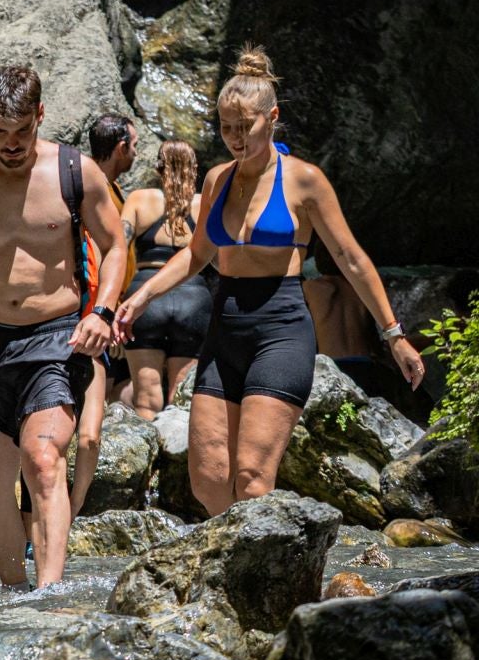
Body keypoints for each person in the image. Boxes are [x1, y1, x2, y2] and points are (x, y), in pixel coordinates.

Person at [115, 47, 425, 514]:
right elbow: (197, 255)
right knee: (209, 478)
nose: (235, 138)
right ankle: (231, 576)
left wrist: (393, 334)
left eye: (246, 126)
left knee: (253, 478)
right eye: (226, 128)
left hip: (280, 329)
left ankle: (268, 580)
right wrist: (138, 299)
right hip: (224, 329)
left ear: (272, 117)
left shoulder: (304, 180)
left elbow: (352, 259)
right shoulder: (218, 179)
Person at [0, 65, 127, 588]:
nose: (11, 144)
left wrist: (101, 312)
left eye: (22, 131)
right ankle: (14, 595)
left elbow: (115, 246)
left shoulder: (75, 172)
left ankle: (50, 592)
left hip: (56, 337)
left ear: (41, 116)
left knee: (43, 460)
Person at [71, 113, 139, 511]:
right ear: (120, 148)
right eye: (134, 145)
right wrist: (105, 313)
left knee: (88, 432)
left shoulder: (110, 189)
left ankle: (71, 511)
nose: (136, 153)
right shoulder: (89, 188)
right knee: (81, 431)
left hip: (98, 316)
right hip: (84, 319)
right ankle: (59, 511)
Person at [120, 137, 210, 418]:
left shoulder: (139, 199)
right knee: (182, 399)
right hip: (194, 297)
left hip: (145, 296)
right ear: (195, 169)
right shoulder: (205, 204)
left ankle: (149, 460)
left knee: (146, 398)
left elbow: (117, 252)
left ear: (158, 168)